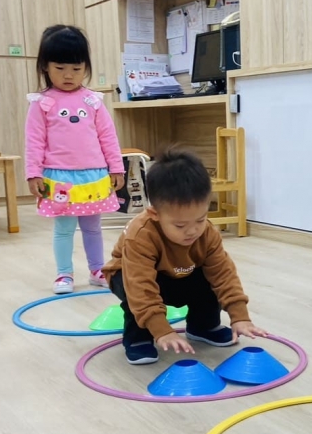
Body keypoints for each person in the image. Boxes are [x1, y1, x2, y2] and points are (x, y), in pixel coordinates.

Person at [103, 149, 267, 365]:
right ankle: (138, 338)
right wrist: (163, 330)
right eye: (180, 225)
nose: (192, 231)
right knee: (135, 289)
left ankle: (203, 326)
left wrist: (240, 316)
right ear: (154, 214)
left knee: (210, 277)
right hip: (129, 276)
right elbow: (140, 287)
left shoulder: (207, 233)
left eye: (200, 219)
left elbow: (224, 275)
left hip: (178, 273)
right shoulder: (141, 234)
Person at [25, 25, 125, 294]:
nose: (68, 75)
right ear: (45, 67)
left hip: (94, 175)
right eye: (60, 68)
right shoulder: (42, 103)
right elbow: (34, 141)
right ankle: (64, 274)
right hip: (59, 177)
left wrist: (116, 167)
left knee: (93, 227)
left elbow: (108, 136)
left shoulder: (93, 101)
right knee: (64, 228)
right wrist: (33, 173)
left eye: (76, 68)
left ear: (86, 67)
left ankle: (97, 270)